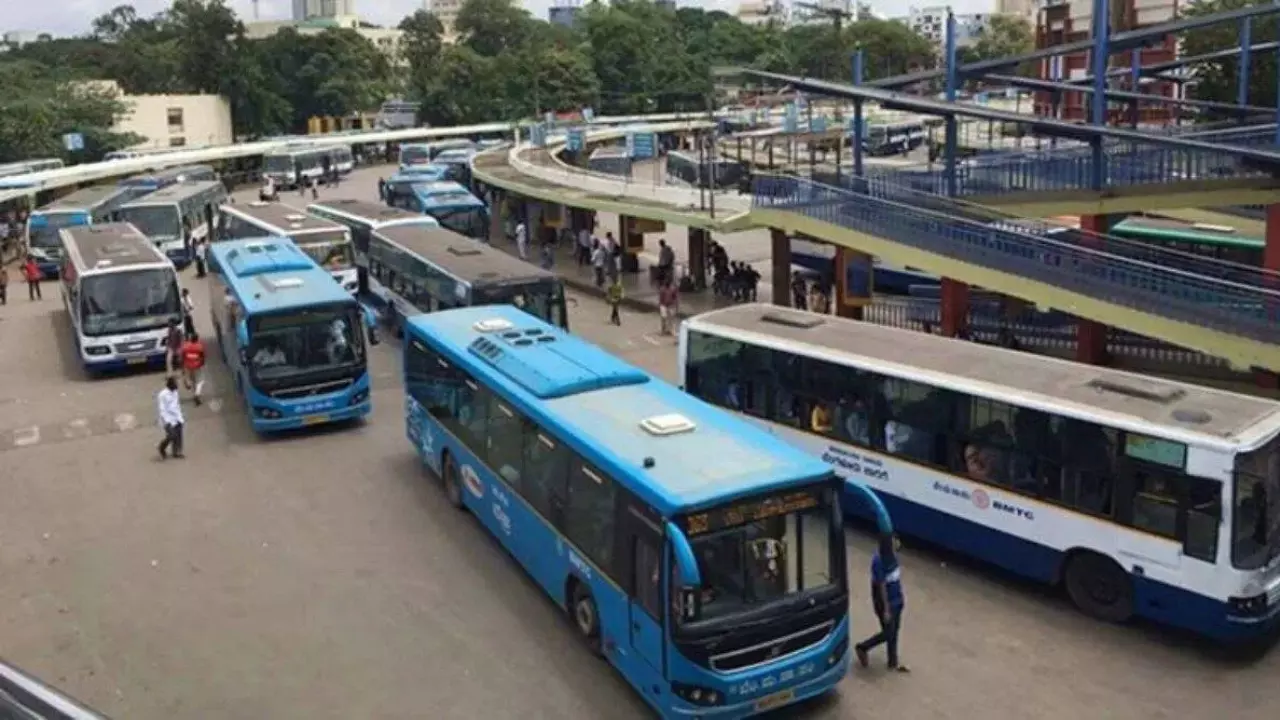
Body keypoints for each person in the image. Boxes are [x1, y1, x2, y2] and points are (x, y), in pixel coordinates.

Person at [855, 536, 909, 673]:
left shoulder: (893, 556)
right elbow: (881, 587)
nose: (896, 544)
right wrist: (885, 609)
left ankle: (893, 662)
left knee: (894, 630)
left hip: (897, 600)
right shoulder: (878, 561)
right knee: (889, 632)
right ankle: (863, 647)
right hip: (886, 603)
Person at [156, 375, 185, 460]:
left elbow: (177, 405)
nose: (177, 385)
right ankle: (162, 447)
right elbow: (162, 409)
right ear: (170, 384)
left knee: (179, 435)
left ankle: (176, 452)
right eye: (176, 383)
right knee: (171, 435)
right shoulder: (162, 395)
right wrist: (167, 421)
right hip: (167, 419)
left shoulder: (175, 392)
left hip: (177, 417)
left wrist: (180, 417)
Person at [180, 331, 207, 406]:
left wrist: (182, 367)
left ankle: (194, 394)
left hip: (188, 366)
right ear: (197, 339)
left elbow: (182, 357)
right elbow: (202, 357)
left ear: (191, 338)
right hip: (197, 366)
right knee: (201, 381)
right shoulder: (199, 346)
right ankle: (197, 394)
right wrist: (202, 364)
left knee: (193, 381)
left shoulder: (185, 346)